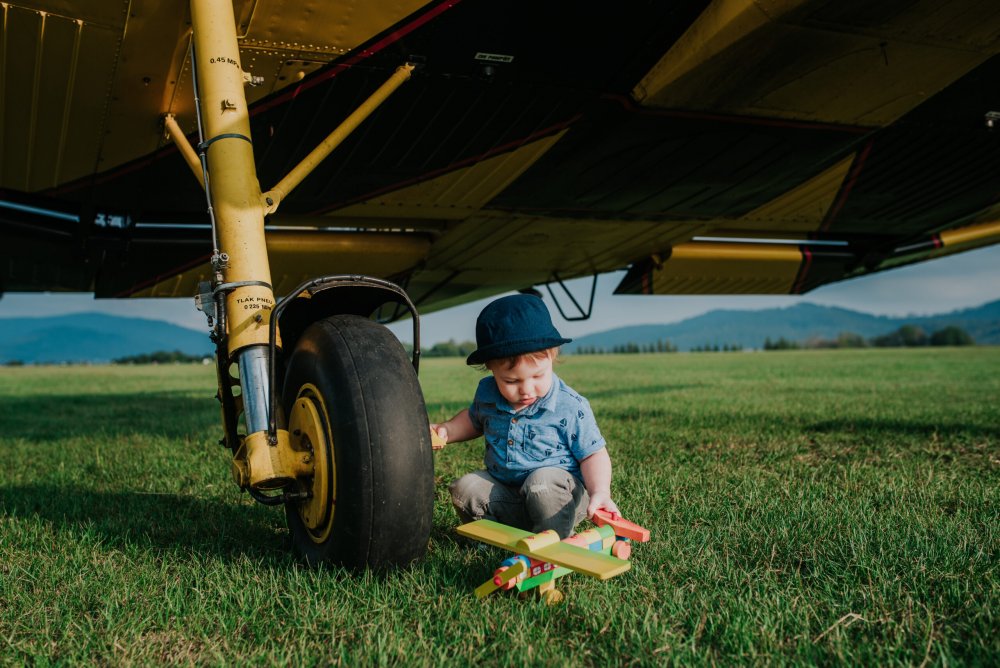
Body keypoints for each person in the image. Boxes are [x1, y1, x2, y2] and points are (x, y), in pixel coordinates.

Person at [430, 293, 620, 539]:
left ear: (552, 355)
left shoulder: (569, 406)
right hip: (507, 493)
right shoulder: (488, 393)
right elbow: (473, 419)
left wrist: (601, 492)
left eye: (538, 376)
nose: (526, 390)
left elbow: (593, 453)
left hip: (558, 497)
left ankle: (551, 540)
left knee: (541, 482)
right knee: (465, 488)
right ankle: (496, 539)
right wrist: (447, 430)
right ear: (491, 368)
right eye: (511, 381)